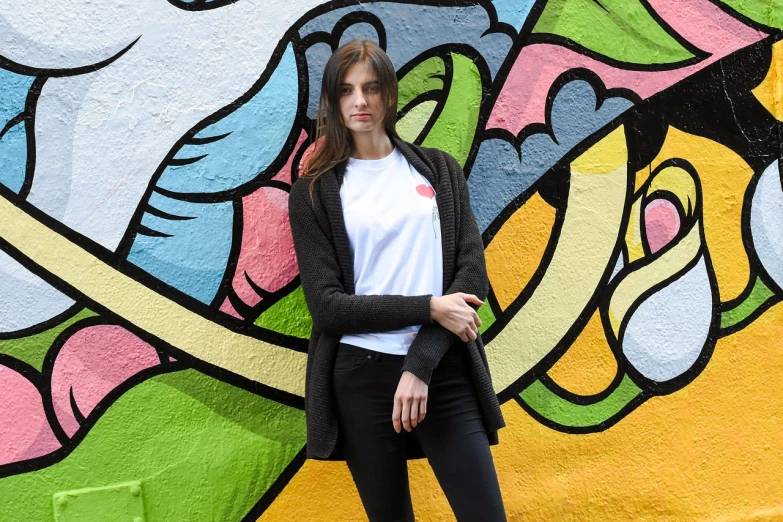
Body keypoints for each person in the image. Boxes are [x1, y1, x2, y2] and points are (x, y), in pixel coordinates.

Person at [287, 39, 506, 522]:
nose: (359, 102)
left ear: (389, 94)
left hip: (442, 369)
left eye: (370, 88)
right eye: (345, 91)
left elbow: (471, 277)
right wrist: (430, 306)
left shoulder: (438, 171)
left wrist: (421, 364)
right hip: (360, 377)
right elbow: (327, 306)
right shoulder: (313, 192)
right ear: (332, 101)